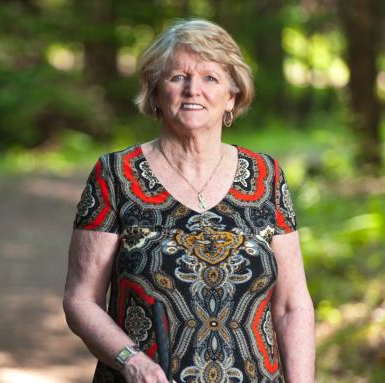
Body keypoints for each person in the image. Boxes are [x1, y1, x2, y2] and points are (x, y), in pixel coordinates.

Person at [63, 18, 315, 383]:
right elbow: (80, 301)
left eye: (210, 78)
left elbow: (293, 307)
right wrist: (131, 361)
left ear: (232, 95)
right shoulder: (115, 176)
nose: (193, 89)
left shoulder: (266, 177)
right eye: (178, 77)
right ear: (155, 92)